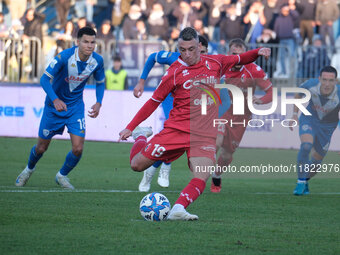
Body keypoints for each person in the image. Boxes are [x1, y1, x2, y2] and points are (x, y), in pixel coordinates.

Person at [119, 27, 271, 220]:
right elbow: (153, 102)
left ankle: (178, 209)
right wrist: (131, 126)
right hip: (176, 130)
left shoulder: (216, 62)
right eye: (182, 50)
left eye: (191, 49)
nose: (187, 54)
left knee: (202, 173)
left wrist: (258, 52)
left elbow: (241, 59)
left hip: (203, 134)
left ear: (200, 46)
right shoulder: (174, 72)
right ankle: (141, 135)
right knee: (136, 165)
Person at [15, 27, 105, 190]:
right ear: (77, 42)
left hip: (75, 108)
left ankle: (61, 175)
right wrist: (55, 99)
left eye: (92, 42)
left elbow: (100, 82)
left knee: (78, 148)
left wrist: (99, 101)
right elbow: (44, 79)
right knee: (41, 147)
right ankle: (28, 170)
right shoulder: (64, 57)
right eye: (85, 42)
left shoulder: (97, 61)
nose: (89, 45)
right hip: (53, 107)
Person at [134, 35, 209, 192]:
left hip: (193, 108)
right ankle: (157, 171)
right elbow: (152, 58)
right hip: (171, 100)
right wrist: (142, 81)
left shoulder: (209, 65)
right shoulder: (174, 58)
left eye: (204, 52)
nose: (199, 55)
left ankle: (160, 167)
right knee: (172, 132)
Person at [211, 38, 273, 193]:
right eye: (233, 53)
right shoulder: (220, 67)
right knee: (217, 140)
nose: (237, 57)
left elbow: (271, 92)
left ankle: (216, 175)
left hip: (241, 117)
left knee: (226, 154)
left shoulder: (254, 70)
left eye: (241, 53)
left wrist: (260, 100)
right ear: (228, 53)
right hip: (221, 111)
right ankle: (201, 173)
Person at [289, 66, 340, 195]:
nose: (327, 84)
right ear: (319, 79)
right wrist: (295, 114)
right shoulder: (310, 85)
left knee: (316, 163)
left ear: (336, 81)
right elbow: (298, 94)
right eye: (324, 80)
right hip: (309, 118)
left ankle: (305, 180)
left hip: (328, 127)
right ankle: (300, 182)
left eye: (331, 80)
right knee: (306, 146)